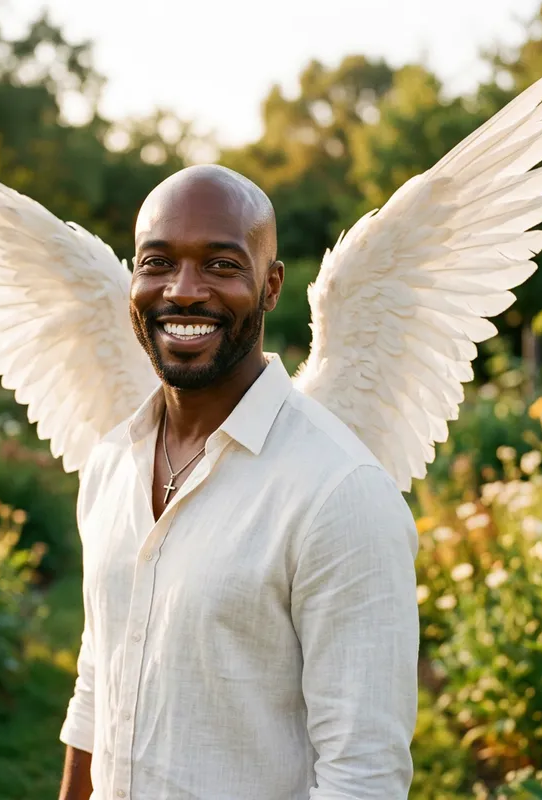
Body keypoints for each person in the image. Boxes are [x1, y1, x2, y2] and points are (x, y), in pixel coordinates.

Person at [57, 164, 419, 800]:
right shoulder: (111, 464)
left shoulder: (339, 492)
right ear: (133, 279)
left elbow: (363, 775)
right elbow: (100, 676)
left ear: (272, 285)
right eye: (158, 262)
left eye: (221, 265)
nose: (185, 291)